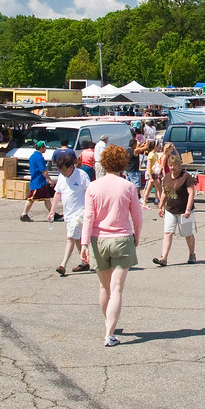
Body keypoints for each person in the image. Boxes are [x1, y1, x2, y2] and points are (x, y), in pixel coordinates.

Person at [80, 145, 143, 347]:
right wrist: (137, 237)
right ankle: (109, 333)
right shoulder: (128, 187)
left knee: (104, 286)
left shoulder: (94, 186)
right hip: (122, 238)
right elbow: (137, 217)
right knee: (117, 288)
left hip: (98, 239)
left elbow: (88, 217)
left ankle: (109, 324)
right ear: (122, 163)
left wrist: (83, 243)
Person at [49, 148, 91, 275]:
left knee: (70, 238)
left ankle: (63, 265)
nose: (63, 172)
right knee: (77, 239)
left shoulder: (82, 175)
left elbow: (90, 193)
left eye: (64, 170)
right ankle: (84, 263)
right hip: (68, 213)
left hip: (80, 212)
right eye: (60, 170)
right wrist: (52, 210)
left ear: (71, 166)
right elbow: (58, 193)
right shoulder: (62, 177)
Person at [153, 153, 198, 266]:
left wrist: (188, 209)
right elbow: (164, 193)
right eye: (170, 165)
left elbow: (191, 193)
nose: (172, 168)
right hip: (170, 209)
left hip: (184, 211)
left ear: (179, 165)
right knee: (168, 233)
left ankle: (192, 254)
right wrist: (161, 206)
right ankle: (164, 258)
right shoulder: (167, 177)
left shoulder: (186, 177)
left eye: (174, 165)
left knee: (187, 233)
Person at [21, 141, 52, 222]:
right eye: (45, 147)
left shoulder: (33, 156)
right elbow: (43, 170)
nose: (46, 149)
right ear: (41, 148)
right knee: (31, 199)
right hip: (38, 182)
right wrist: (49, 179)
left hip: (40, 181)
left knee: (47, 198)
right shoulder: (39, 157)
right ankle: (24, 214)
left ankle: (53, 214)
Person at [141, 141, 164, 209]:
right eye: (158, 145)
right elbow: (148, 167)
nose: (159, 146)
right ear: (155, 146)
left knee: (149, 189)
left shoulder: (156, 154)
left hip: (155, 173)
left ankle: (144, 202)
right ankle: (161, 203)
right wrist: (150, 177)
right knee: (159, 188)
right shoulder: (151, 155)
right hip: (152, 174)